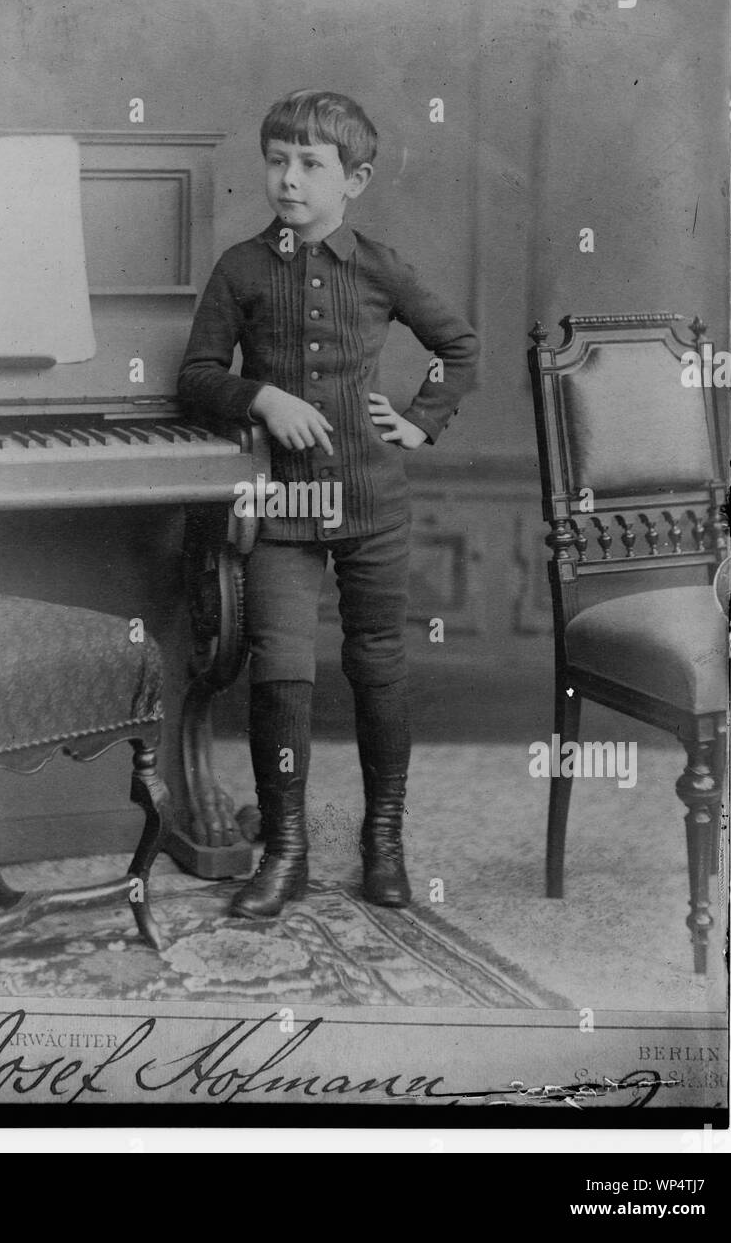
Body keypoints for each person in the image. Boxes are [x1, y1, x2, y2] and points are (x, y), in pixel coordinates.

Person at [178, 89, 479, 919]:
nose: (288, 179)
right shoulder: (240, 267)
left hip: (372, 500)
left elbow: (459, 346)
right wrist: (261, 399)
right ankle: (287, 851)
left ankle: (384, 843)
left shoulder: (379, 266)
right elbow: (195, 377)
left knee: (377, 662)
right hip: (279, 507)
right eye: (277, 160)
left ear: (357, 179)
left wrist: (417, 424)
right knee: (280, 670)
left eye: (311, 164)